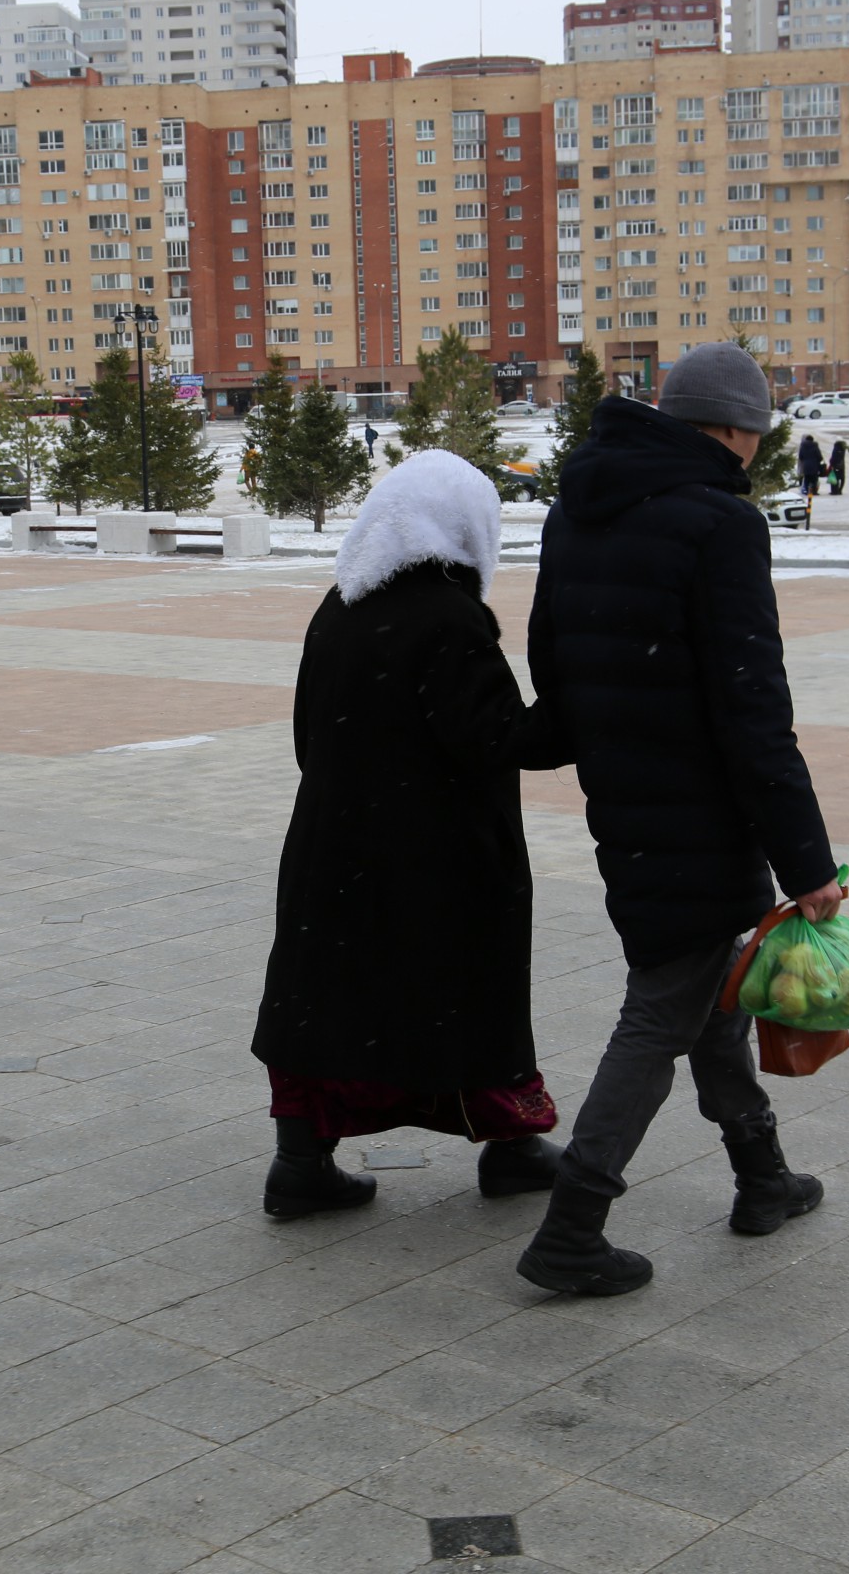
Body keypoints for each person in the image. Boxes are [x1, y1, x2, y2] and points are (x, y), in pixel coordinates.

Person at [517, 342, 841, 1297]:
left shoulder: (579, 509)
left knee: (707, 990)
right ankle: (573, 1226)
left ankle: (762, 1175)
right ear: (740, 430)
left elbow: (552, 661)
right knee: (664, 1006)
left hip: (623, 799)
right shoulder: (720, 523)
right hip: (703, 810)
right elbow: (753, 705)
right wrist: (808, 863)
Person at [251, 451, 569, 1218]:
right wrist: (578, 703)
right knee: (467, 995)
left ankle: (300, 1162)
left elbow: (307, 735)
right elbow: (496, 739)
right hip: (439, 862)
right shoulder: (449, 617)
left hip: (332, 848)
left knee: (323, 999)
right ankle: (511, 1145)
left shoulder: (340, 606)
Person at [796, 433, 824, 503]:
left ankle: (807, 490)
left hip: (806, 465)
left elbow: (800, 456)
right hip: (814, 465)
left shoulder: (803, 446)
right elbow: (819, 456)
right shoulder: (815, 446)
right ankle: (814, 491)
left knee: (807, 478)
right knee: (814, 479)